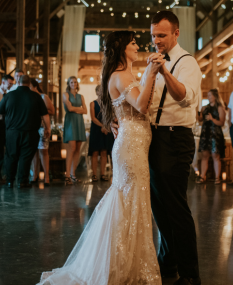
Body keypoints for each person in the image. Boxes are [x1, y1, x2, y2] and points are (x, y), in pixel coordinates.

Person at [38, 30, 164, 284]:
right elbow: (141, 105)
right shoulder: (120, 75)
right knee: (129, 200)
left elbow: (138, 105)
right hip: (130, 147)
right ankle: (119, 264)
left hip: (134, 144)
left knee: (133, 200)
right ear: (121, 49)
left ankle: (128, 262)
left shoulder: (123, 75)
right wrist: (151, 72)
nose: (138, 46)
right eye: (133, 43)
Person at [143, 11, 202, 284]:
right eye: (154, 35)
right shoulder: (151, 62)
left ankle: (190, 275)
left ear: (176, 34)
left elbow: (183, 96)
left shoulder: (187, 62)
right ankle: (167, 264)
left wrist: (163, 70)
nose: (157, 40)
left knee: (176, 208)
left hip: (176, 138)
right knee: (160, 208)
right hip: (154, 138)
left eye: (162, 35)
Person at [0, 75, 50, 188]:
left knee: (11, 156)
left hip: (12, 132)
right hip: (30, 132)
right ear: (29, 83)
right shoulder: (36, 96)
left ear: (18, 82)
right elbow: (45, 115)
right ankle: (22, 181)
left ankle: (10, 181)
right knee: (25, 157)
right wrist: (48, 128)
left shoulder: (9, 95)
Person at [196, 89, 226, 185]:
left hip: (215, 134)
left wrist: (212, 119)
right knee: (205, 155)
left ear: (215, 96)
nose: (208, 97)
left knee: (215, 156)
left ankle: (217, 178)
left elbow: (221, 122)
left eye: (210, 95)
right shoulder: (205, 108)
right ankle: (202, 176)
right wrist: (197, 111)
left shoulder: (220, 107)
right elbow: (200, 120)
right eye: (208, 95)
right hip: (206, 133)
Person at [30, 79, 55, 185]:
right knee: (33, 153)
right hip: (31, 128)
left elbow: (52, 111)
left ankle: (46, 177)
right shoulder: (30, 97)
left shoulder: (44, 97)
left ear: (35, 87)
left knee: (43, 151)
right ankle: (34, 176)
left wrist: (39, 112)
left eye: (30, 86)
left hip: (42, 127)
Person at [62, 76, 87, 184]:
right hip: (71, 122)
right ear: (68, 83)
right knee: (71, 148)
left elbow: (85, 110)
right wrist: (79, 110)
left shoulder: (81, 96)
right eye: (71, 82)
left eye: (75, 82)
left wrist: (76, 109)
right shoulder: (65, 94)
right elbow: (69, 108)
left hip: (79, 122)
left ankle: (73, 174)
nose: (73, 84)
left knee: (77, 148)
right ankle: (67, 175)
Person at [88, 85, 114, 183]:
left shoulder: (108, 104)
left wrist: (106, 126)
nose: (101, 93)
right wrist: (102, 126)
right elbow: (93, 118)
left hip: (106, 129)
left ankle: (102, 174)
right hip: (96, 129)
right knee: (95, 152)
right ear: (97, 92)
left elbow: (110, 116)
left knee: (104, 152)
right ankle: (94, 175)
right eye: (100, 91)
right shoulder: (93, 103)